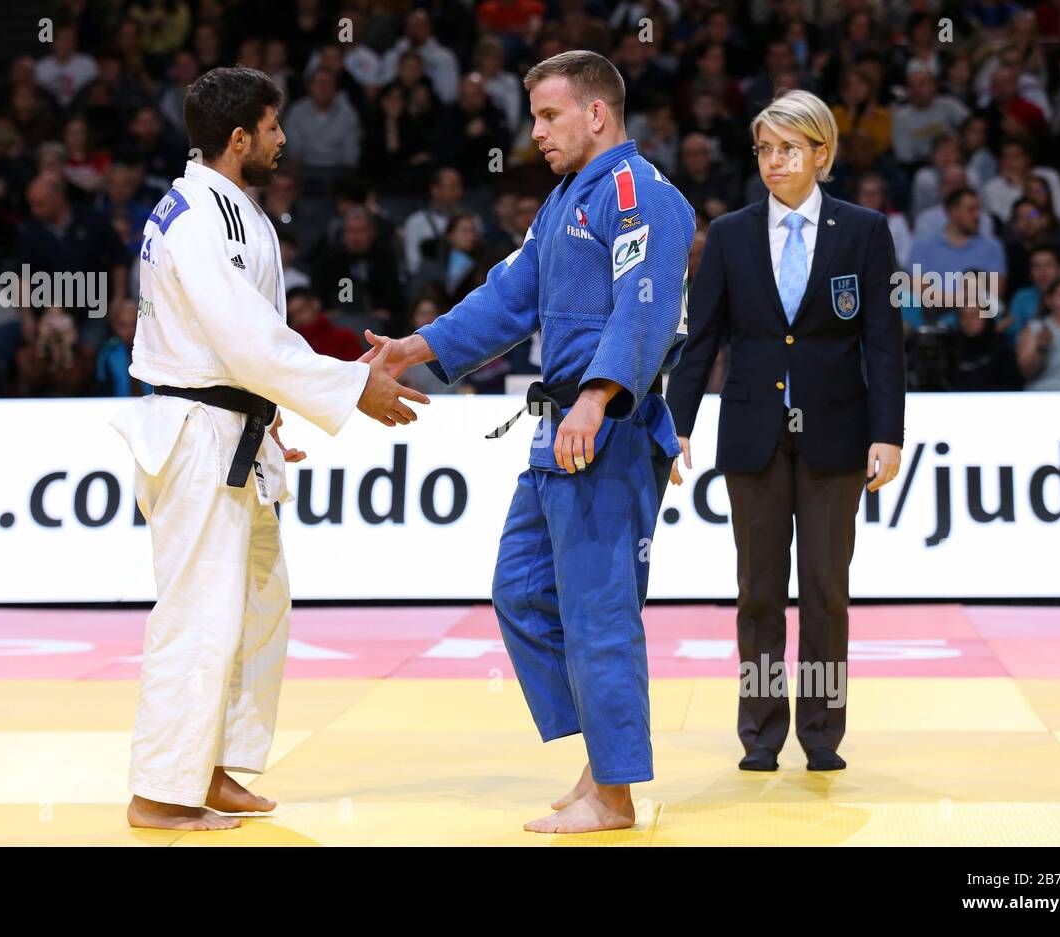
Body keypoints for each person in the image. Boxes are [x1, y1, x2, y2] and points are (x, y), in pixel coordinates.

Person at [362, 51, 695, 834]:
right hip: (557, 428)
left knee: (600, 611)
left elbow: (644, 309)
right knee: (520, 590)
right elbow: (509, 298)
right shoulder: (560, 204)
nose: (535, 131)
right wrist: (419, 345)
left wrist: (598, 395)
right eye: (534, 115)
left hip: (603, 429)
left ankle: (613, 794)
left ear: (597, 114)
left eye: (549, 115)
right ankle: (603, 756)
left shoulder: (639, 193)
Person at [110, 66, 425, 833]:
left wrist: (277, 410)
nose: (286, 140)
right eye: (275, 127)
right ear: (240, 136)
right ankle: (160, 790)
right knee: (199, 612)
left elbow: (247, 343)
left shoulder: (226, 207)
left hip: (234, 425)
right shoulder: (194, 217)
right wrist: (352, 391)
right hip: (198, 437)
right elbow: (248, 340)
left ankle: (210, 766)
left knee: (255, 603)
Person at [666, 90, 906, 773]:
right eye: (765, 149)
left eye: (789, 149)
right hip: (752, 434)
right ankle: (761, 733)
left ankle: (823, 733)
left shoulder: (864, 230)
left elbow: (884, 342)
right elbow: (701, 336)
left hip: (837, 435)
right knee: (759, 592)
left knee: (827, 588)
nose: (774, 162)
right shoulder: (731, 234)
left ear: (821, 154)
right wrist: (677, 423)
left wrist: (887, 432)